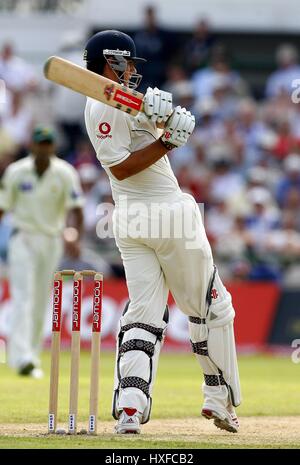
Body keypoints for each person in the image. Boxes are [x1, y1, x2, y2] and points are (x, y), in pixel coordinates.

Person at [83, 30, 241, 434]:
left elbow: (143, 126)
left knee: (144, 313)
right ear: (113, 62)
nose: (134, 70)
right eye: (130, 63)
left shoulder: (112, 101)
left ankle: (131, 410)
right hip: (168, 214)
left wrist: (164, 116)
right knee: (211, 306)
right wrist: (169, 141)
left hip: (129, 221)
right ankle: (218, 398)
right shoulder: (102, 104)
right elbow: (119, 166)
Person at [0, 126, 84, 377]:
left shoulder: (65, 173)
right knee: (23, 295)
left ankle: (31, 356)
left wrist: (74, 234)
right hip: (23, 238)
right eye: (40, 143)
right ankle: (20, 356)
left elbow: (77, 209)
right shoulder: (16, 172)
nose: (44, 148)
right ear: (32, 146)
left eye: (48, 143)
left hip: (51, 239)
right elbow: (2, 207)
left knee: (40, 299)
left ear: (53, 147)